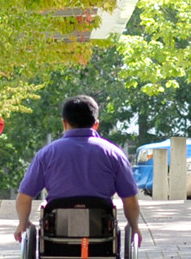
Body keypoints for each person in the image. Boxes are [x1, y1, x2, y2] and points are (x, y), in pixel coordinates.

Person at [14, 95, 142, 245]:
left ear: (64, 123)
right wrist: (133, 226)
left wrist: (23, 223)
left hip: (58, 238)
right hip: (100, 237)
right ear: (96, 124)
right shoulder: (114, 154)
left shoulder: (47, 154)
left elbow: (24, 198)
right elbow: (130, 200)